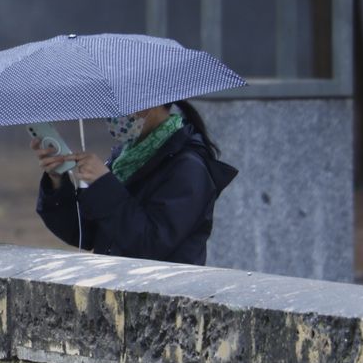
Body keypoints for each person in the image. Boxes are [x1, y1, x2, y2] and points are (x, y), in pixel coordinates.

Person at [33, 101, 238, 265]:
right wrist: (57, 180)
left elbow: (151, 244)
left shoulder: (189, 169)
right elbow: (84, 234)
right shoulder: (126, 157)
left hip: (165, 300)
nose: (117, 112)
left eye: (125, 101)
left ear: (155, 101)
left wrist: (104, 184)